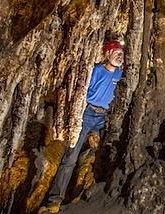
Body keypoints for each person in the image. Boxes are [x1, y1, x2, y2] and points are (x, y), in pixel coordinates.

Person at [39, 40, 124, 213]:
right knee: (71, 157)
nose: (119, 55)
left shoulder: (120, 75)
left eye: (121, 53)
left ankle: (92, 192)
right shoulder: (96, 71)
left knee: (105, 153)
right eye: (116, 52)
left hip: (104, 117)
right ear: (107, 54)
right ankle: (54, 201)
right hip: (87, 114)